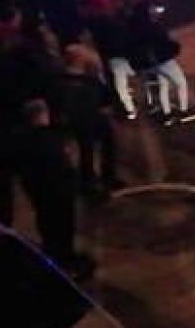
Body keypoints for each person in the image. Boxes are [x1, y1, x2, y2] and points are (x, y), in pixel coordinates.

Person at [17, 98, 88, 276]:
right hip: (58, 193)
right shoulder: (51, 140)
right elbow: (63, 166)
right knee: (63, 228)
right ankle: (65, 262)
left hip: (40, 195)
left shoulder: (23, 141)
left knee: (48, 227)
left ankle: (55, 258)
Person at [51, 43, 119, 199]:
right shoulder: (78, 81)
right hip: (83, 120)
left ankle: (101, 179)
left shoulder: (70, 80)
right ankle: (90, 183)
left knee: (97, 147)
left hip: (88, 118)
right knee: (87, 150)